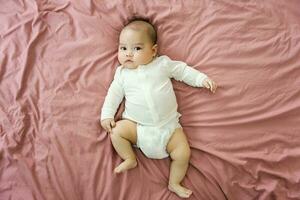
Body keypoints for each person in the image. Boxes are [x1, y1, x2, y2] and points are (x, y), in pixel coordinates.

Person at [100, 18, 217, 198]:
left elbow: (183, 71)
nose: (128, 54)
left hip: (168, 126)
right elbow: (113, 95)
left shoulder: (162, 64)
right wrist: (107, 116)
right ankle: (129, 158)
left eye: (137, 48)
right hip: (138, 128)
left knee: (183, 152)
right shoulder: (122, 74)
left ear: (153, 51)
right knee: (116, 131)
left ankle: (174, 182)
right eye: (123, 48)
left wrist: (201, 79)